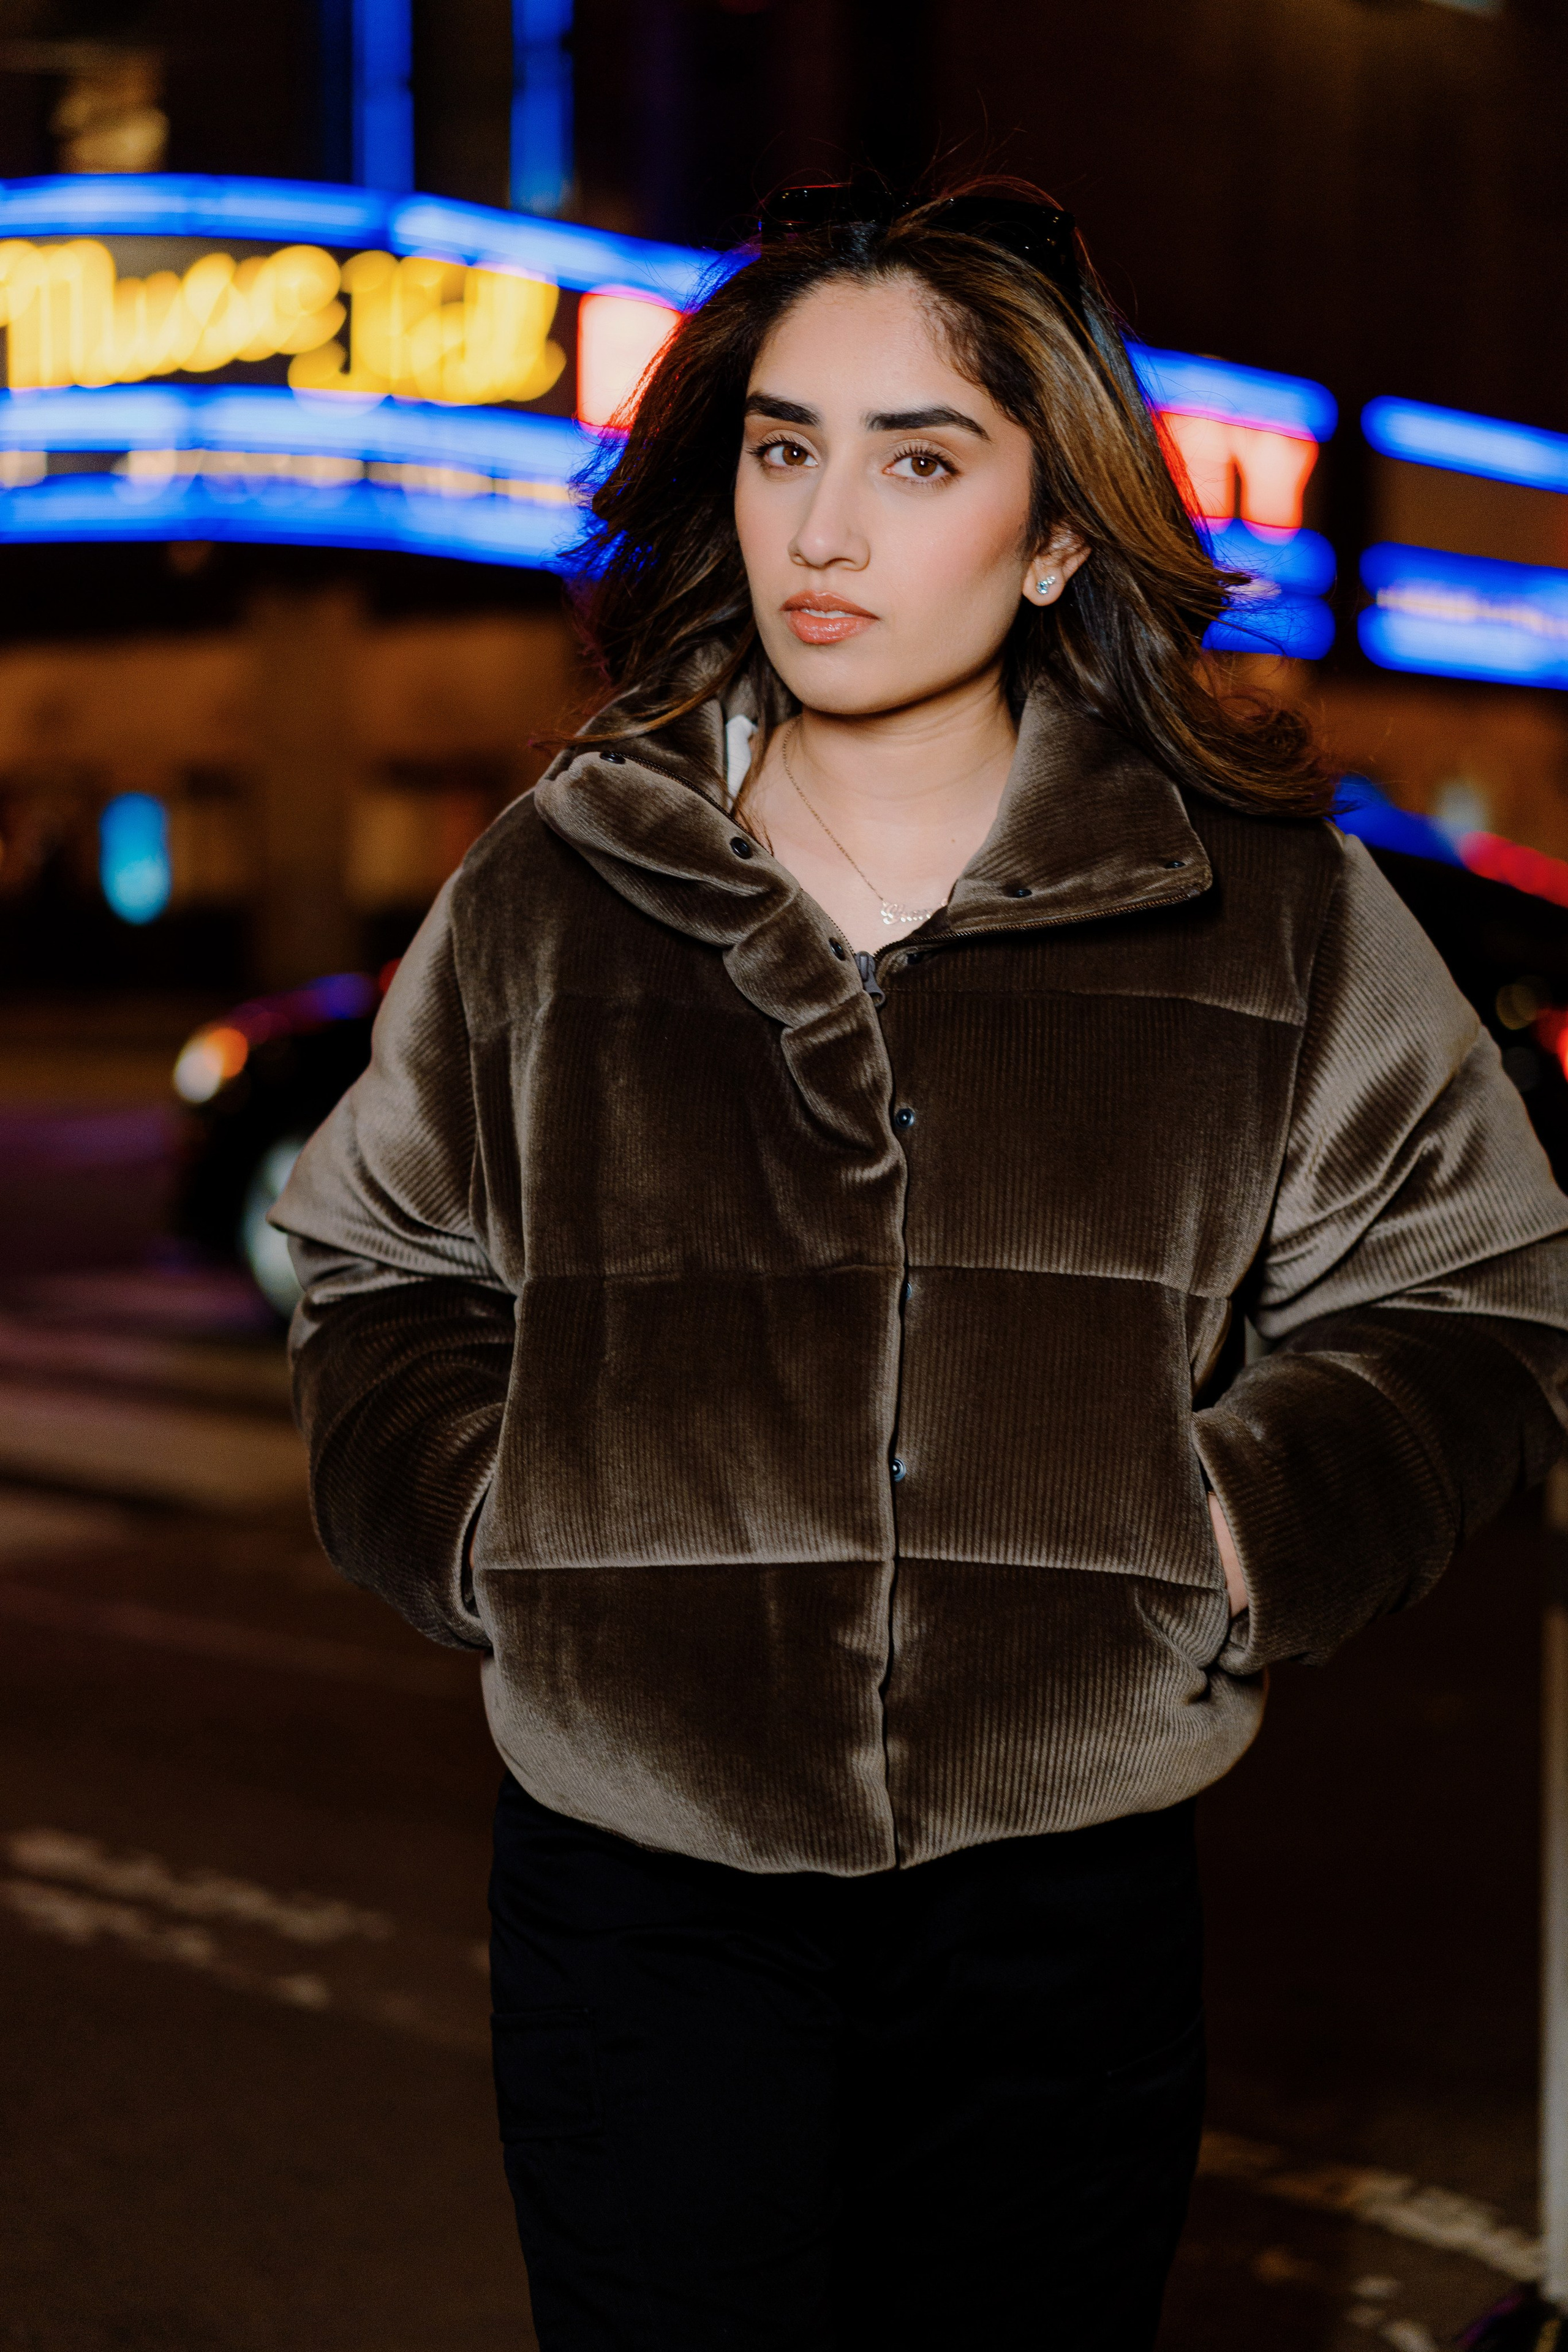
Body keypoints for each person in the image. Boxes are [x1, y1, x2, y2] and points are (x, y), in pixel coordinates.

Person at [273, 177, 1568, 2351]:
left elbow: (1474, 1289)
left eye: (922, 458)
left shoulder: (1254, 909)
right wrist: (509, 1538)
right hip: (642, 1897)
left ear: (1058, 538)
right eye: (785, 447)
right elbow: (381, 1268)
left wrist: (1231, 1531)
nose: (826, 531)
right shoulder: (566, 886)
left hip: (1060, 1907)